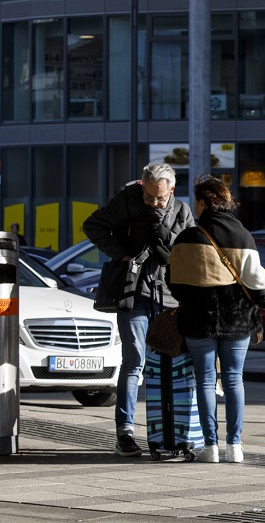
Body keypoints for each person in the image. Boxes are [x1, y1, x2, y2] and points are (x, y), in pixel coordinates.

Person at [168, 176, 265, 463]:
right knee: (234, 379)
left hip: (198, 320)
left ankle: (210, 447)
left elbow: (173, 283)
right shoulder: (242, 235)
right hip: (237, 319)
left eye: (196, 201)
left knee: (205, 380)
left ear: (202, 203)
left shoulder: (187, 238)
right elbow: (258, 282)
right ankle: (234, 446)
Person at [83, 162, 195, 457]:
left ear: (172, 189)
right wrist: (122, 255)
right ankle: (126, 433)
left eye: (159, 197)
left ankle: (171, 432)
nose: (153, 202)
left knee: (170, 365)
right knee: (134, 362)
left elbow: (191, 253)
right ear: (142, 187)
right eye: (148, 196)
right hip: (133, 294)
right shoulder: (126, 202)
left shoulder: (182, 211)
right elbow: (92, 225)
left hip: (169, 298)